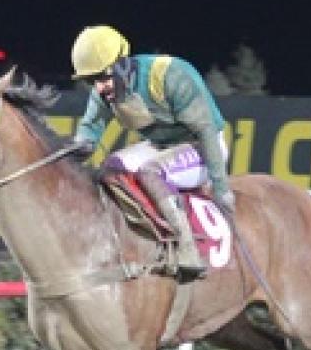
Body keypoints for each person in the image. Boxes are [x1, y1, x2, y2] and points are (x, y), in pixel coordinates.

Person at [70, 24, 233, 280]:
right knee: (110, 168)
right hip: (163, 146)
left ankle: (188, 249)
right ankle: (140, 239)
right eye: (92, 81)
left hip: (204, 144)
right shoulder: (103, 92)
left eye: (102, 77)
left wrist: (221, 187)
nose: (99, 88)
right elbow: (89, 129)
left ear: (123, 63)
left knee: (150, 172)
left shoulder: (170, 75)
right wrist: (81, 146)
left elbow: (206, 131)